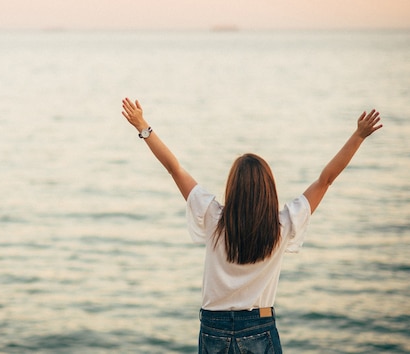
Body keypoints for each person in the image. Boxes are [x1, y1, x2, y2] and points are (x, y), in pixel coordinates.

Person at [121, 98, 382, 354]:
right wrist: (358, 136)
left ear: (232, 187)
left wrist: (143, 127)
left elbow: (174, 169)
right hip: (260, 325)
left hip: (214, 327)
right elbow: (326, 180)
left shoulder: (213, 218)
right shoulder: (283, 225)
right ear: (269, 189)